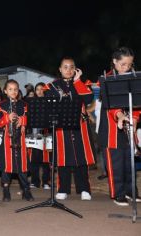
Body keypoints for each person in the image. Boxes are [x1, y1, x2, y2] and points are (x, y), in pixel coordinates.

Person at [44, 57, 95, 201]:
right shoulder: (51, 86)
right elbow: (49, 103)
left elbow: (89, 99)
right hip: (61, 126)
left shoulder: (83, 83)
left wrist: (78, 81)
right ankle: (63, 188)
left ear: (76, 69)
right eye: (65, 67)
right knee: (63, 159)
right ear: (60, 69)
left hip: (80, 126)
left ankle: (84, 188)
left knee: (81, 157)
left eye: (72, 67)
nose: (69, 70)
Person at [98, 47, 141, 206]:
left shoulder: (134, 77)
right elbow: (110, 105)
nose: (126, 68)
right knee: (115, 163)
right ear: (115, 62)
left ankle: (131, 191)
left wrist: (135, 118)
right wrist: (121, 116)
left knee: (129, 162)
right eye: (123, 64)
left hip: (129, 128)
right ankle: (118, 194)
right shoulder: (106, 79)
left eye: (129, 65)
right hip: (111, 130)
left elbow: (137, 103)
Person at [0, 79, 34, 202]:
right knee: (6, 167)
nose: (13, 91)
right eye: (10, 89)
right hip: (7, 140)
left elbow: (27, 118)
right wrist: (7, 117)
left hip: (20, 140)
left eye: (15, 89)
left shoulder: (23, 104)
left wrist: (22, 122)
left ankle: (26, 190)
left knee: (22, 166)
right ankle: (6, 191)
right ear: (5, 91)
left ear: (18, 91)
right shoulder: (1, 105)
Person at [27, 82, 51, 190]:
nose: (40, 91)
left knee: (46, 159)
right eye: (37, 89)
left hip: (46, 133)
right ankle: (35, 181)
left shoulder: (49, 102)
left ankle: (46, 182)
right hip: (34, 133)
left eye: (42, 89)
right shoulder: (31, 103)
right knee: (34, 159)